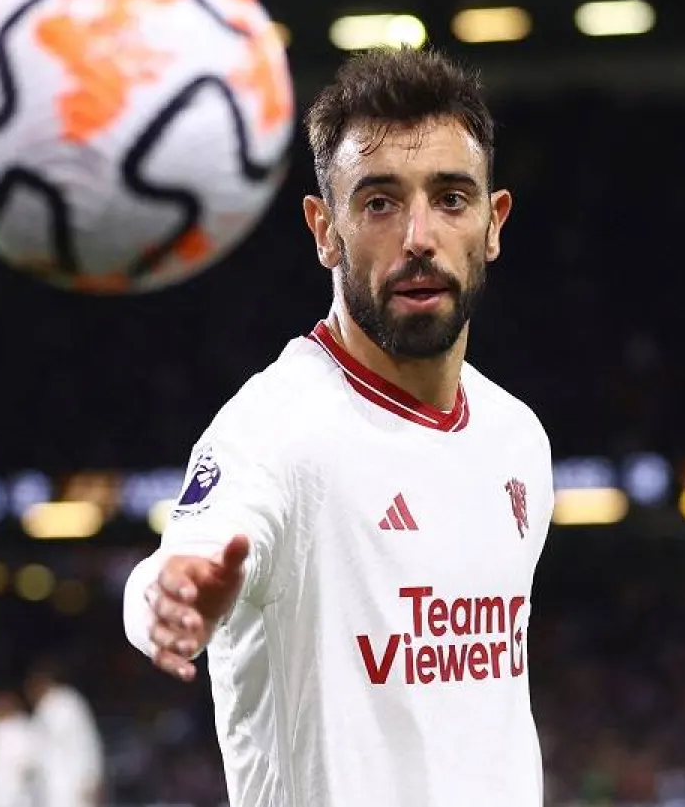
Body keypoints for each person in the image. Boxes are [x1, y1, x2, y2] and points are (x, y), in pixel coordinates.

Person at [122, 46, 554, 807]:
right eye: (380, 202)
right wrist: (168, 597)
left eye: (451, 198)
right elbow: (181, 559)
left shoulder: (518, 440)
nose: (419, 234)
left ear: (494, 223)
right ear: (325, 229)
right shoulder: (274, 430)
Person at [23, 662, 104, 807]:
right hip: (55, 784)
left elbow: (85, 742)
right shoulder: (48, 707)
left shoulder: (64, 703)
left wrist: (92, 776)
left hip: (73, 781)